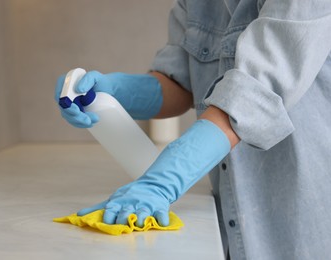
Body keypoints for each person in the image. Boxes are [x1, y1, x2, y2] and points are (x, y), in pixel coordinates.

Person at [55, 0, 331, 259]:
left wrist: (159, 182)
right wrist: (115, 93)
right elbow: (181, 83)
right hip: (235, 207)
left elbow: (251, 94)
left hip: (305, 209)